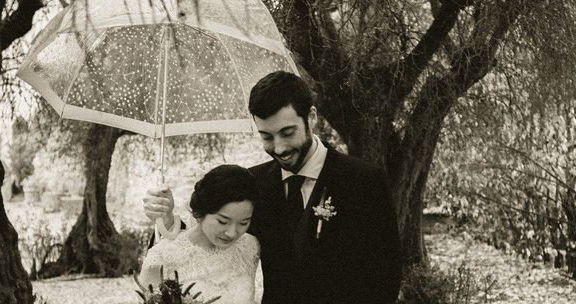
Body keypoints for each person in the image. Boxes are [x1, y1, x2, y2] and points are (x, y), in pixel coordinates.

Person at [144, 71, 403, 304]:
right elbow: (210, 239)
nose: (278, 148)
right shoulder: (253, 183)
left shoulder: (365, 181)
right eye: (266, 136)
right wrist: (167, 220)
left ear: (311, 117)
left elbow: (385, 276)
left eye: (287, 132)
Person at [140, 164, 260, 304]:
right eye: (222, 221)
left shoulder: (250, 247)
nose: (232, 233)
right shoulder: (162, 257)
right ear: (201, 212)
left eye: (243, 223)